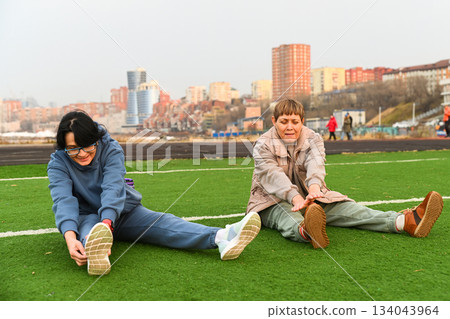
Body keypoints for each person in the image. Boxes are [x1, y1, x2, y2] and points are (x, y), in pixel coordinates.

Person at [48, 111, 261, 275]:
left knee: (164, 223)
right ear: (63, 147)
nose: (82, 153)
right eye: (73, 148)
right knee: (88, 233)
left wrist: (107, 223)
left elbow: (113, 187)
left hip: (123, 211)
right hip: (88, 216)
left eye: (88, 146)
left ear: (96, 139)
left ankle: (224, 237)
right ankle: (96, 253)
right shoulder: (58, 163)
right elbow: (63, 200)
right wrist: (69, 237)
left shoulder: (110, 148)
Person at [246, 99, 443, 249]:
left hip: (309, 194)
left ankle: (405, 222)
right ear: (273, 121)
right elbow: (272, 176)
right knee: (286, 216)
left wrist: (314, 189)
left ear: (302, 121)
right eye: (284, 121)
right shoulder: (263, 144)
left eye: (295, 121)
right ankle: (306, 231)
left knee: (350, 209)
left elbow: (316, 163)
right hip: (271, 201)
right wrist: (295, 198)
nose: (290, 127)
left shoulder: (313, 138)